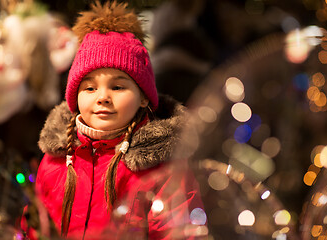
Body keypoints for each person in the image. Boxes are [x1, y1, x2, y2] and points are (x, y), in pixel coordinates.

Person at [21, 1, 206, 239]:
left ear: (143, 97)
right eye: (89, 88)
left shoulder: (163, 169)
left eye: (117, 86)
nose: (103, 97)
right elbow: (36, 227)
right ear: (74, 97)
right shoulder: (54, 161)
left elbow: (181, 232)